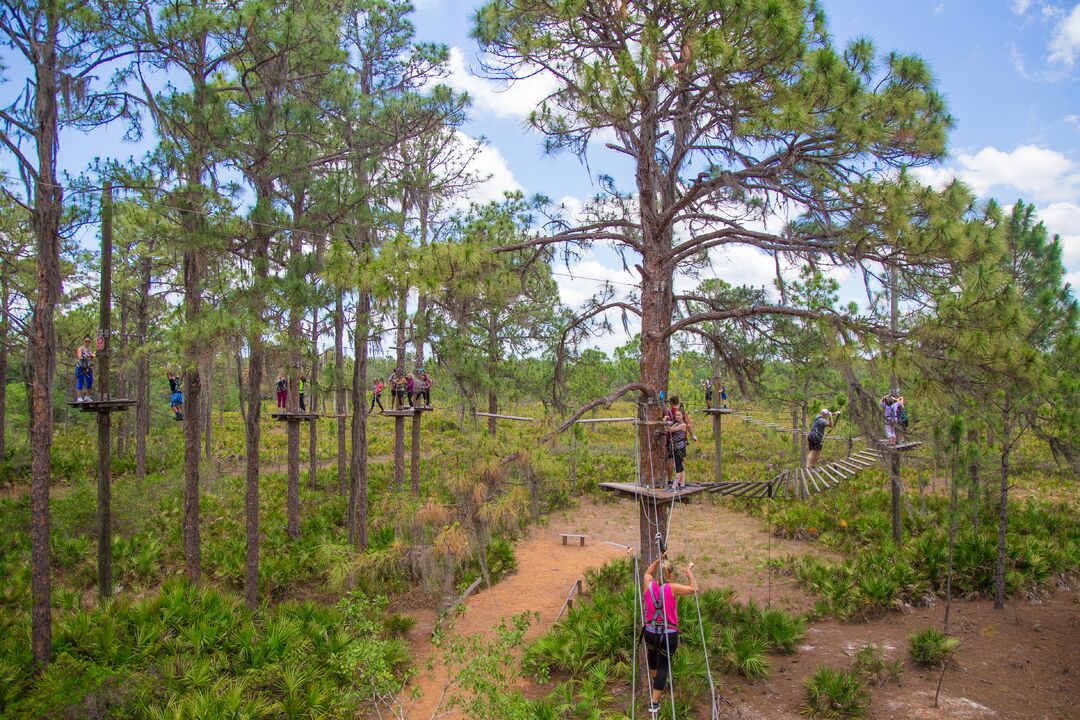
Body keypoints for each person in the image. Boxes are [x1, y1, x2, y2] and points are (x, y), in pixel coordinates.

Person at [640, 551, 698, 716]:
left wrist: (658, 559)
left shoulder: (648, 585)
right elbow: (695, 589)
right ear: (670, 575)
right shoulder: (672, 588)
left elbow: (647, 573)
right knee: (664, 665)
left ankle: (655, 683)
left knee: (652, 657)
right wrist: (689, 573)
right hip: (668, 634)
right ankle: (654, 702)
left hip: (650, 632)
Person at [664, 396, 694, 492]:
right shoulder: (677, 423)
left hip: (680, 448)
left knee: (678, 467)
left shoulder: (682, 425)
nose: (676, 416)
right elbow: (666, 429)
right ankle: (682, 483)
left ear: (682, 416)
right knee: (680, 466)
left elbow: (669, 429)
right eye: (676, 415)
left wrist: (664, 421)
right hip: (677, 447)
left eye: (679, 415)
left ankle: (674, 486)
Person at [75, 336, 95, 402]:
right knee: (80, 381)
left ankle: (87, 396)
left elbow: (91, 358)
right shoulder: (80, 349)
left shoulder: (89, 350)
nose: (87, 342)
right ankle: (79, 397)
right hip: (80, 368)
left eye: (89, 341)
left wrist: (92, 356)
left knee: (90, 381)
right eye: (86, 341)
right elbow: (79, 357)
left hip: (88, 368)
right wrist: (87, 356)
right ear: (83, 341)